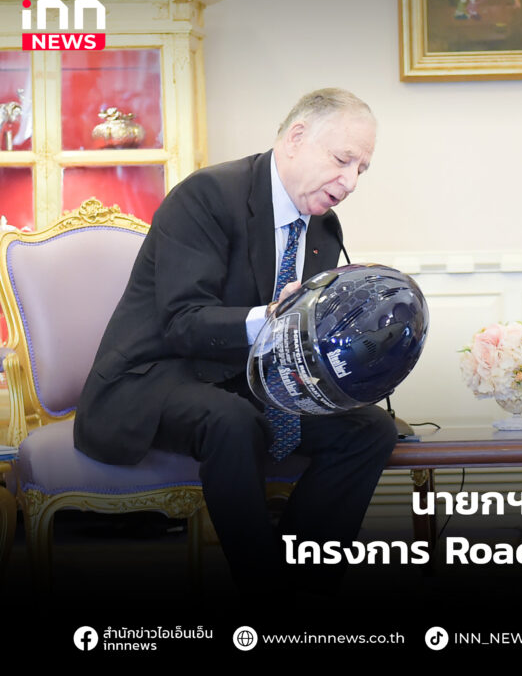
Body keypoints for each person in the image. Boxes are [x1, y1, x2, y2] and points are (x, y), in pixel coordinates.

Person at [73, 88, 398, 596]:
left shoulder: (323, 227)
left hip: (238, 381)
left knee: (370, 428)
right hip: (151, 376)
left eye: (362, 169)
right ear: (296, 138)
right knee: (233, 419)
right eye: (343, 160)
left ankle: (302, 578)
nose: (351, 182)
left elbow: (294, 345)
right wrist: (273, 318)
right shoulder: (206, 196)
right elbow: (183, 322)